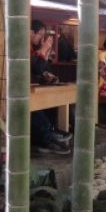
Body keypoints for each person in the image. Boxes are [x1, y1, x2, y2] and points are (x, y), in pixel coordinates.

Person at [30, 20, 72, 154]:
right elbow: (36, 68)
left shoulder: (33, 48)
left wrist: (45, 52)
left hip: (33, 87)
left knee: (50, 107)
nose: (41, 39)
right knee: (36, 111)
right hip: (23, 92)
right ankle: (47, 138)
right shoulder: (26, 48)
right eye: (39, 35)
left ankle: (51, 132)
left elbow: (41, 69)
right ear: (31, 32)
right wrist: (44, 50)